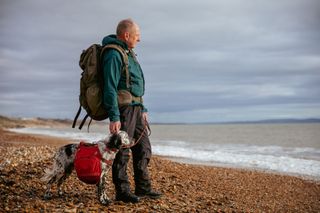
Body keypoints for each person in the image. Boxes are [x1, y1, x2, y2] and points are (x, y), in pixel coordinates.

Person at [101, 18, 162, 203]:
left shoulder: (130, 53)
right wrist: (114, 116)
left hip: (136, 109)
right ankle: (122, 191)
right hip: (124, 110)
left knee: (144, 148)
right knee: (123, 151)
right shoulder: (113, 54)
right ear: (126, 35)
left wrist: (143, 107)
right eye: (137, 36)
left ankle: (143, 187)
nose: (139, 40)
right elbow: (110, 87)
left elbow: (135, 85)